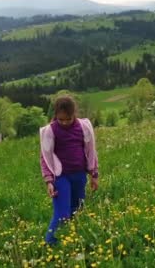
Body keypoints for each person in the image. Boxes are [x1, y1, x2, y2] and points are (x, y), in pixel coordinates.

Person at [40, 95, 99, 245]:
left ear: (74, 114)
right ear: (56, 116)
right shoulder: (50, 131)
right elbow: (45, 157)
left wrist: (94, 174)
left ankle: (70, 241)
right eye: (61, 120)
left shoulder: (83, 127)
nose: (65, 122)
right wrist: (49, 181)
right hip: (60, 177)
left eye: (68, 119)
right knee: (62, 214)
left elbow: (91, 151)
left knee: (77, 208)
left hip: (79, 174)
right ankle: (51, 243)